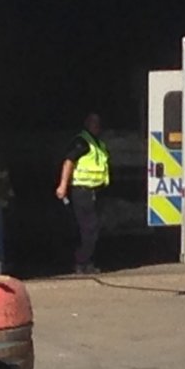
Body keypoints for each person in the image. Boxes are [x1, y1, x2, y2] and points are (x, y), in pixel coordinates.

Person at [56, 113, 109, 274]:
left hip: (95, 191)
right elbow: (68, 162)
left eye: (98, 123)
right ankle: (82, 262)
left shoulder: (97, 144)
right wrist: (63, 186)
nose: (97, 126)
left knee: (93, 228)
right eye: (94, 123)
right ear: (87, 124)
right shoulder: (82, 142)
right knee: (88, 228)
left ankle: (87, 262)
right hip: (82, 191)